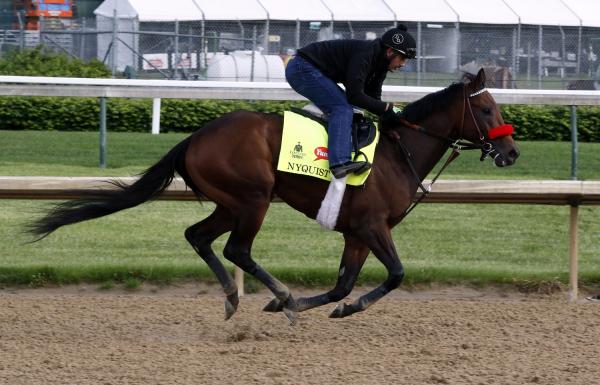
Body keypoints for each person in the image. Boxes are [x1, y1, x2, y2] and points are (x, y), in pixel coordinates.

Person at [285, 25, 417, 179]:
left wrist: (388, 122)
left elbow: (374, 100)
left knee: (350, 109)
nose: (403, 64)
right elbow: (354, 96)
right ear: (389, 52)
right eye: (402, 58)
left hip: (310, 69)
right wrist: (388, 108)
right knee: (342, 108)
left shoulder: (381, 65)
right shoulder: (365, 54)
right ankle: (339, 163)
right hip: (302, 68)